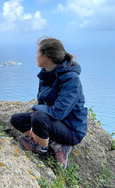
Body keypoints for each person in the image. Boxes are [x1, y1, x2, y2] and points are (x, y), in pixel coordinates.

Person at [10, 37, 87, 169]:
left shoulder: (70, 79)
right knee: (16, 120)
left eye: (38, 53)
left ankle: (44, 150)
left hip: (71, 130)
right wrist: (36, 124)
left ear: (46, 57)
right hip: (52, 122)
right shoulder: (46, 74)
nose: (35, 57)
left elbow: (58, 112)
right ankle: (49, 142)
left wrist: (36, 117)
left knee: (38, 117)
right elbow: (42, 101)